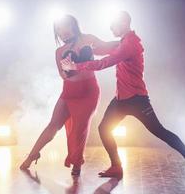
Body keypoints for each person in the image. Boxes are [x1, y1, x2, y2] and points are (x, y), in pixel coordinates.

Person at [61, 11, 185, 182]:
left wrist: (77, 66)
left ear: (123, 23)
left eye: (113, 24)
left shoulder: (131, 43)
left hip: (137, 99)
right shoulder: (124, 42)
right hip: (120, 99)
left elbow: (105, 62)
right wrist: (84, 49)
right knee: (104, 129)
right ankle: (116, 166)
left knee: (160, 131)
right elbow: (103, 51)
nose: (110, 27)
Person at [20, 14, 118, 176]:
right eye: (58, 29)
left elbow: (107, 47)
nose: (62, 32)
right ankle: (32, 155)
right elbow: (62, 75)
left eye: (64, 27)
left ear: (73, 25)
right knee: (53, 125)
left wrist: (125, 41)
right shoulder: (59, 51)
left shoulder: (88, 39)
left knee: (80, 128)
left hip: (88, 93)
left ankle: (77, 164)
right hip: (68, 93)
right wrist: (68, 70)